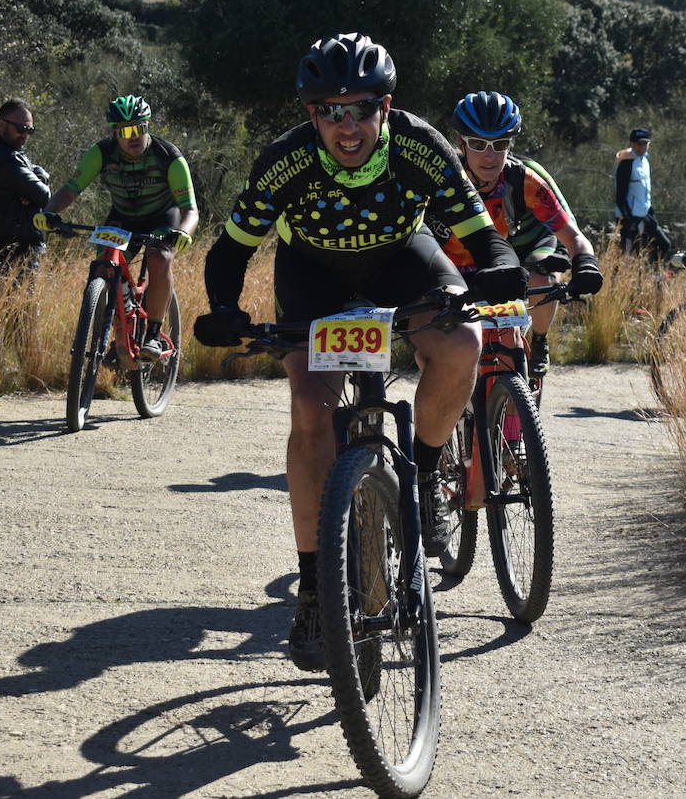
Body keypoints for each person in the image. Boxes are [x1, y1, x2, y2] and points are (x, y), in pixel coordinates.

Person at [192, 33, 526, 672]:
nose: (347, 126)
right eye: (329, 111)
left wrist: (499, 268)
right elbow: (231, 249)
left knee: (462, 341)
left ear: (387, 106)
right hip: (312, 276)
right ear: (310, 114)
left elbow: (480, 235)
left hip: (403, 261)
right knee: (311, 409)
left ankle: (425, 480)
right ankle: (316, 587)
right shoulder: (284, 162)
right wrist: (225, 310)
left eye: (362, 109)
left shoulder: (420, 146)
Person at [439, 91, 604, 376]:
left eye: (500, 144)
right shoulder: (442, 180)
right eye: (478, 144)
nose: (490, 156)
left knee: (538, 281)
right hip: (464, 261)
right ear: (460, 143)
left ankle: (538, 341)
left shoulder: (524, 179)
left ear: (510, 144)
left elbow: (573, 235)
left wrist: (585, 264)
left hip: (521, 247)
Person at [34, 95, 198, 359]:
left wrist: (183, 232)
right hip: (122, 218)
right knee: (104, 267)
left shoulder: (169, 157)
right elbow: (70, 190)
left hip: (161, 219)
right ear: (114, 133)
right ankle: (117, 334)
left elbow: (190, 209)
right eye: (125, 131)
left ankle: (153, 336)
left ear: (148, 126)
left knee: (160, 257)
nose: (133, 136)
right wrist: (49, 213)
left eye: (139, 128)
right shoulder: (102, 153)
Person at [0, 98, 52, 277]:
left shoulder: (0, 149)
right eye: (21, 129)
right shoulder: (3, 157)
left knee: (2, 303)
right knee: (14, 303)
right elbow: (43, 195)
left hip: (7, 247)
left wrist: (40, 175)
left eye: (29, 130)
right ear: (1, 124)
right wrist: (35, 185)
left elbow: (35, 172)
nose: (25, 135)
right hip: (10, 250)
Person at [614, 127, 671, 262]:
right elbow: (620, 193)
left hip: (645, 213)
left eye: (645, 143)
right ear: (632, 144)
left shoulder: (645, 161)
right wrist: (627, 218)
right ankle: (623, 280)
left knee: (664, 245)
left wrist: (651, 212)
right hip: (630, 216)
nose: (642, 147)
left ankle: (652, 275)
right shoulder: (626, 163)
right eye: (638, 144)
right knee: (629, 256)